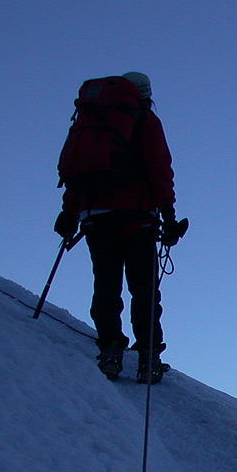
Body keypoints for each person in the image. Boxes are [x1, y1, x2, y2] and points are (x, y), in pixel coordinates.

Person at [54, 71, 184, 383]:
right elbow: (159, 169)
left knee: (106, 283)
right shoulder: (146, 121)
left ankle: (110, 351)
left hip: (95, 216)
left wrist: (69, 213)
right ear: (145, 93)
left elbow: (80, 171)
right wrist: (168, 213)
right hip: (137, 215)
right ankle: (148, 359)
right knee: (144, 289)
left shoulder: (91, 120)